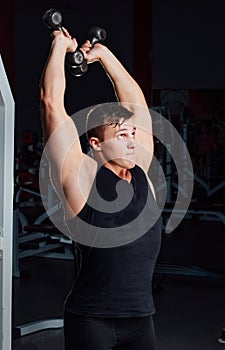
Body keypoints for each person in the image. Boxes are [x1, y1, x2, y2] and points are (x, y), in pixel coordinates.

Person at [40, 26, 162, 350]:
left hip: (141, 320)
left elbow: (137, 104)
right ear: (96, 144)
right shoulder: (82, 177)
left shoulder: (142, 174)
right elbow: (52, 105)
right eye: (122, 135)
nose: (133, 140)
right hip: (91, 321)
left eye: (133, 134)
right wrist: (58, 46)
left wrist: (105, 56)